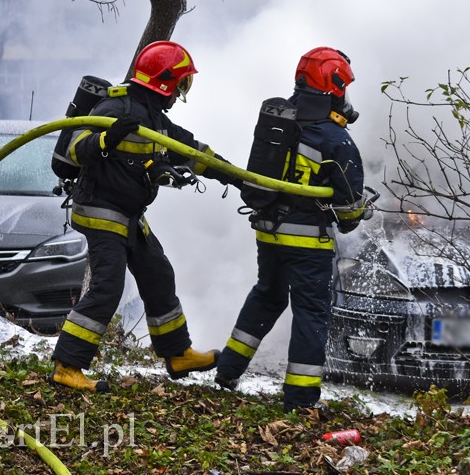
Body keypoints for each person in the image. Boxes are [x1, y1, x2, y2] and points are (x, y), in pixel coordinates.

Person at [50, 40, 241, 392]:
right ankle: (67, 365)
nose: (182, 91)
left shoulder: (155, 119)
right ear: (166, 82)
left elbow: (194, 153)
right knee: (107, 286)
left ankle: (177, 353)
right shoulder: (114, 106)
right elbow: (76, 148)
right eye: (182, 83)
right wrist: (106, 139)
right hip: (100, 209)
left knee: (157, 273)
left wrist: (239, 178)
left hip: (128, 213)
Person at [214, 47, 370, 413]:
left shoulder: (277, 120)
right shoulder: (335, 139)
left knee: (267, 295)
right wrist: (359, 211)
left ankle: (228, 370)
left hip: (268, 231)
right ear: (334, 86)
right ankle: (301, 400)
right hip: (307, 243)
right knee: (311, 314)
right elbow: (347, 213)